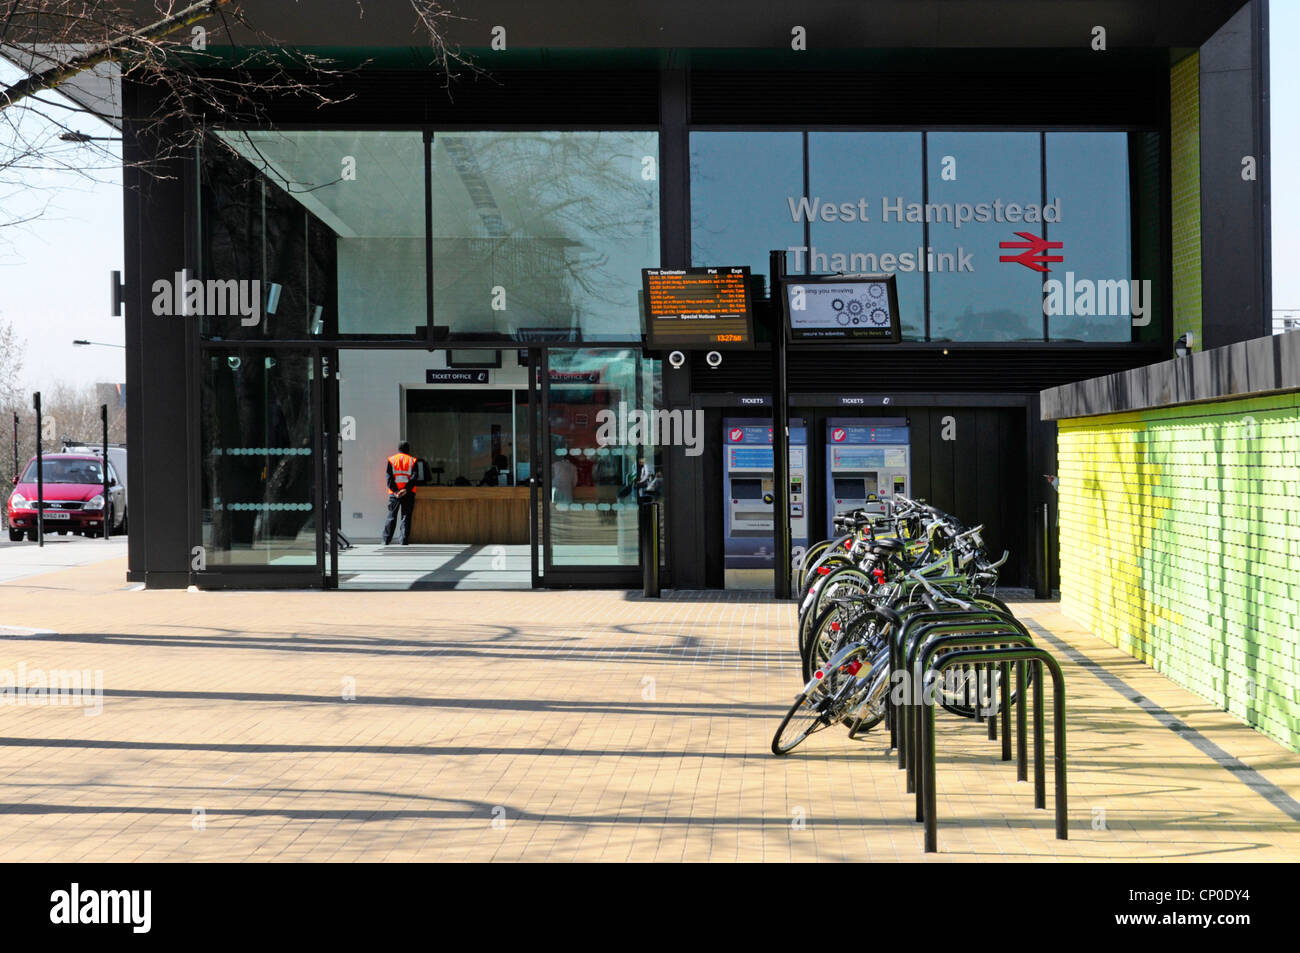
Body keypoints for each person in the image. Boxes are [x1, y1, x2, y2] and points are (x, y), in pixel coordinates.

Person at [382, 441, 417, 545]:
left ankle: (386, 540)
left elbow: (389, 477)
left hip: (394, 494)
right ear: (408, 449)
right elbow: (414, 477)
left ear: (399, 449)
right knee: (406, 516)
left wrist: (396, 490)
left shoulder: (392, 460)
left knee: (392, 516)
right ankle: (403, 540)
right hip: (408, 493)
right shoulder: (412, 460)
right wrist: (405, 489)